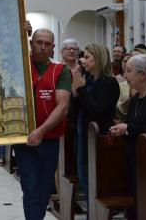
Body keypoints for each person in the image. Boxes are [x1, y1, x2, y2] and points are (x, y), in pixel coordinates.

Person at [12, 29, 71, 220]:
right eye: (38, 42)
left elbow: (62, 106)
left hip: (49, 139)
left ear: (53, 47)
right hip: (24, 139)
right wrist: (19, 28)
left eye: (47, 44)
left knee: (44, 188)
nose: (42, 47)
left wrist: (41, 131)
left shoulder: (61, 71)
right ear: (31, 44)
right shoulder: (20, 65)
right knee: (30, 188)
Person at [71, 43, 119, 217]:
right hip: (82, 136)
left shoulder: (110, 83)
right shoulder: (88, 80)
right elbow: (73, 113)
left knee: (97, 185)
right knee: (86, 182)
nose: (83, 60)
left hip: (99, 141)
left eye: (88, 57)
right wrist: (75, 93)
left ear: (98, 59)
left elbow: (97, 110)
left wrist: (81, 89)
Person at [110, 54, 146, 219]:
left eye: (129, 71)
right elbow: (130, 124)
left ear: (143, 74)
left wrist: (128, 128)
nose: (125, 75)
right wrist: (122, 129)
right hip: (135, 160)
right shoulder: (135, 98)